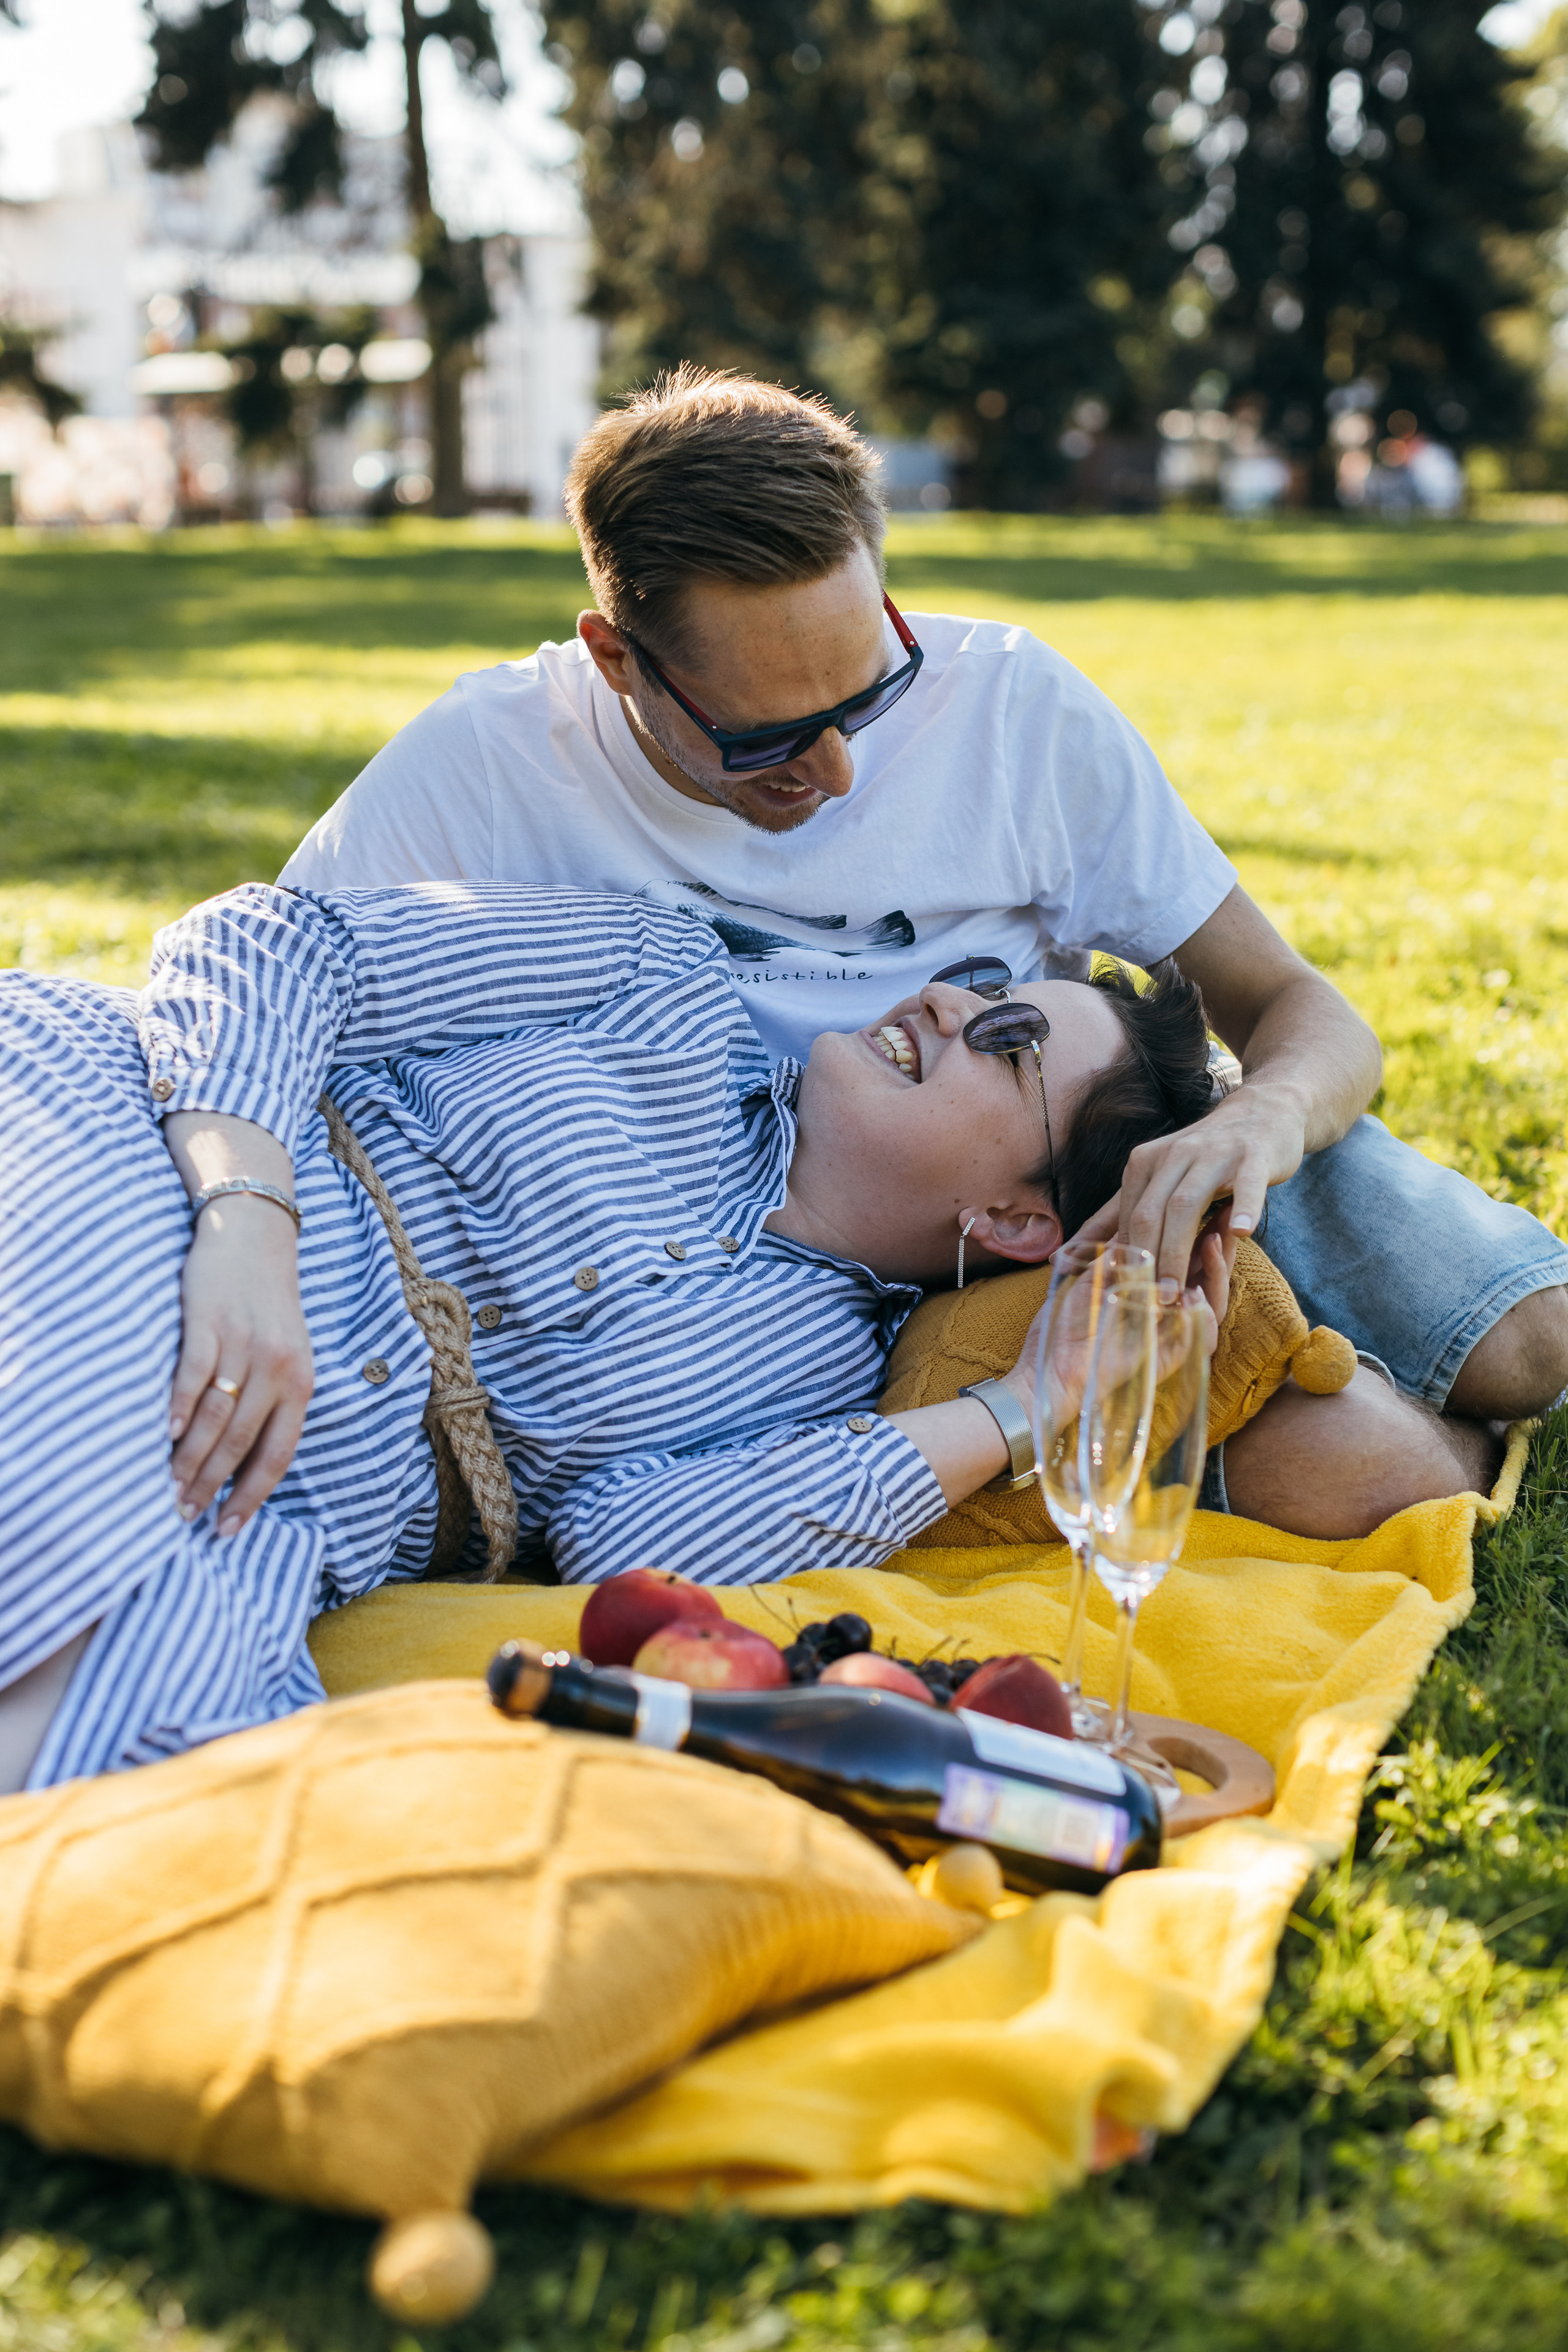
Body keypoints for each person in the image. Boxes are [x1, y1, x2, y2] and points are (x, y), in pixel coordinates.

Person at [281, 369, 1568, 1436]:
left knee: (1525, 1343)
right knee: (1340, 1467)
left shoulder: (1013, 704)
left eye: (868, 694)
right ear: (616, 660)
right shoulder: (487, 762)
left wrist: (1256, 1128)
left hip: (1054, 1178)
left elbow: (1294, 1004)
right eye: (765, 740)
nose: (837, 774)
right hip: (777, 1300)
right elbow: (270, 992)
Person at [0, 884, 1481, 1793]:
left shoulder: (831, 1387)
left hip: (273, 1486)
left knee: (142, 1749)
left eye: (1007, 1042)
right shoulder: (657, 983)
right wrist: (248, 1217)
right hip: (140, 1174)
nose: (945, 1006)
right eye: (980, 990)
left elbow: (619, 1539)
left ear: (1019, 1225)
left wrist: (1027, 1408)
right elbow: (281, 944)